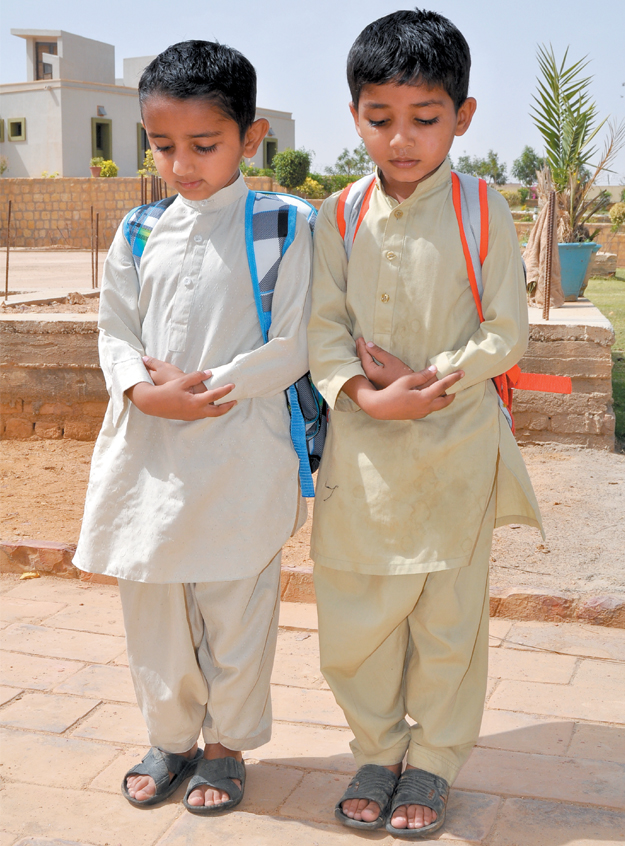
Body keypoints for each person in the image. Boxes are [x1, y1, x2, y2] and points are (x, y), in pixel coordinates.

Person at [307, 9, 542, 839]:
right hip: (361, 454)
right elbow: (322, 328)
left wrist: (423, 380)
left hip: (455, 449)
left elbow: (504, 334)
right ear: (355, 116)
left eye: (424, 119)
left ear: (463, 116)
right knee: (355, 621)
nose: (400, 139)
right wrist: (367, 396)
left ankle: (434, 761)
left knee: (447, 623)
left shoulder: (484, 208)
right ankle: (375, 749)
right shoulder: (335, 215)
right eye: (380, 120)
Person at [74, 40, 312, 815]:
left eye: (204, 145)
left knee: (234, 609)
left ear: (250, 138)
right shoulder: (139, 230)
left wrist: (208, 388)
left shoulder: (284, 224)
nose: (182, 164)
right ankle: (170, 738)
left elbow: (296, 343)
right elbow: (112, 331)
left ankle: (225, 745)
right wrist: (144, 394)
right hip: (148, 451)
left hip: (241, 456)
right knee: (152, 606)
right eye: (164, 145)